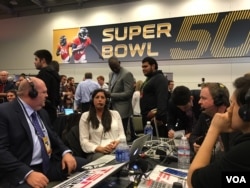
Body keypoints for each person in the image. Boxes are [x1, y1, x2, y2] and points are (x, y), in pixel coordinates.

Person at [0, 77, 87, 188]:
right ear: (31, 93)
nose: (47, 95)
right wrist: (27, 173)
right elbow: (1, 151)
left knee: (86, 166)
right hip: (21, 169)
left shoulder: (41, 112)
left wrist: (65, 152)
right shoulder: (4, 112)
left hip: (47, 165)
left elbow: (53, 136)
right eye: (44, 92)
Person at [187, 74, 250, 188]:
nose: (230, 109)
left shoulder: (242, 147)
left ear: (246, 112)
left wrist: (214, 128)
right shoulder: (204, 116)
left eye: (233, 104)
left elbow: (193, 182)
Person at [189, 83, 234, 159]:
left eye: (203, 98)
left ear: (218, 101)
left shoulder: (234, 120)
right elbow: (193, 136)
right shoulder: (204, 115)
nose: (199, 102)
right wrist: (196, 144)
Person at [79, 88, 126, 161]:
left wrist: (117, 142)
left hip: (115, 149)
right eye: (97, 97)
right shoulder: (85, 116)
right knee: (109, 160)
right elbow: (84, 142)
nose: (100, 100)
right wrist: (99, 148)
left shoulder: (115, 114)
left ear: (106, 101)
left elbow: (122, 135)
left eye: (102, 97)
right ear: (92, 100)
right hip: (96, 152)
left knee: (132, 158)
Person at [108, 56, 136, 140]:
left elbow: (128, 93)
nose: (115, 69)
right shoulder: (110, 74)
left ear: (119, 63)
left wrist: (111, 95)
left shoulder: (127, 74)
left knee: (122, 134)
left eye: (116, 67)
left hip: (123, 110)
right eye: (112, 68)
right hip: (112, 107)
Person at [140, 56, 168, 137]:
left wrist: (158, 117)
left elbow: (162, 98)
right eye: (142, 67)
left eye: (145, 66)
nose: (143, 69)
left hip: (155, 120)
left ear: (153, 66)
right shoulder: (149, 79)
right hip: (147, 119)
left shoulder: (160, 79)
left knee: (157, 145)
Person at [34, 49, 61, 124]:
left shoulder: (44, 74)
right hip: (52, 110)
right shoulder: (54, 74)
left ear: (43, 60)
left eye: (36, 59)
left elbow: (40, 93)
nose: (34, 62)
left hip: (44, 110)